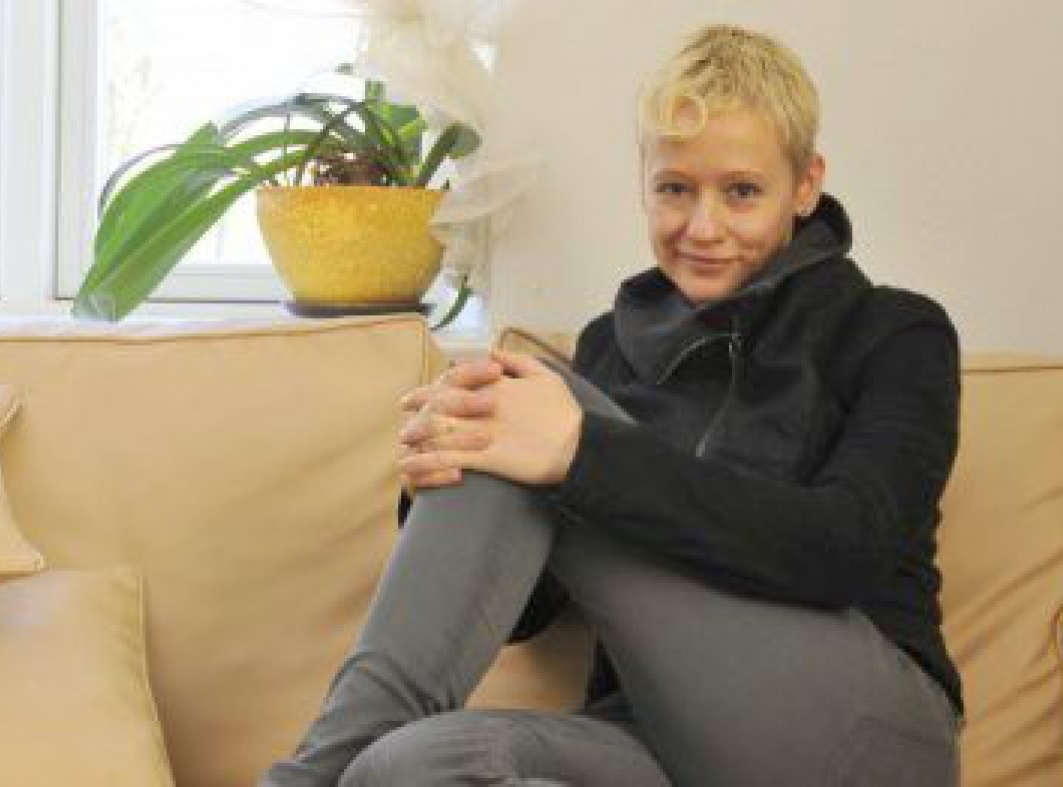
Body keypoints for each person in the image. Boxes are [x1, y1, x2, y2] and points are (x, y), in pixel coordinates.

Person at [261, 23, 964, 787]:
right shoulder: (611, 346)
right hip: (660, 736)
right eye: (675, 189)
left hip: (863, 735)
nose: (703, 227)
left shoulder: (896, 331)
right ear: (644, 183)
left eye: (741, 191)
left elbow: (844, 546)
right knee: (403, 766)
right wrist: (448, 466)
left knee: (525, 400)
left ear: (804, 185)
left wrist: (577, 452)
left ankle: (305, 779)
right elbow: (527, 612)